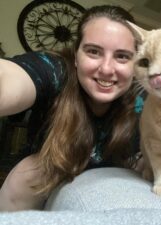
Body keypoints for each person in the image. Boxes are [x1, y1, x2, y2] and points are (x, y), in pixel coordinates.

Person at [0, 5, 143, 211]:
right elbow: (10, 78)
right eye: (93, 51)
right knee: (29, 170)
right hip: (38, 191)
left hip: (105, 195)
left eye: (122, 56)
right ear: (76, 56)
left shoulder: (143, 100)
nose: (106, 69)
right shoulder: (57, 71)